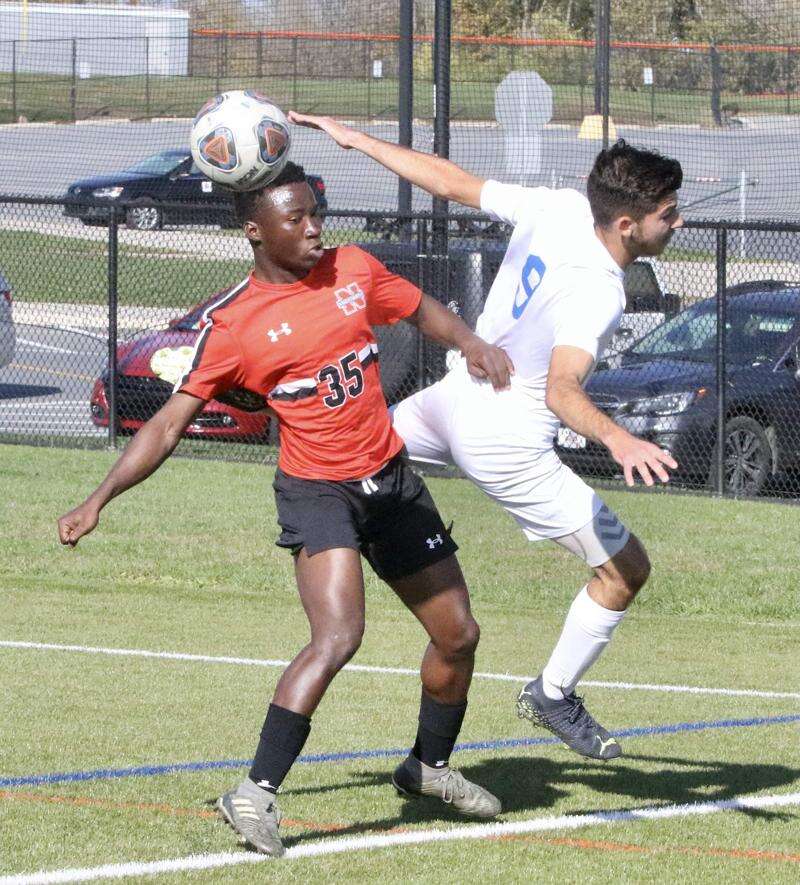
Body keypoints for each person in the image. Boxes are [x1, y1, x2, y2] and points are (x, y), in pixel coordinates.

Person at [57, 162, 514, 856]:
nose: (312, 228)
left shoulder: (352, 268)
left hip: (389, 480)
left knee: (458, 633)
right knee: (338, 636)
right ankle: (253, 793)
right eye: (294, 219)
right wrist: (99, 498)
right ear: (254, 230)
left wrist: (472, 342)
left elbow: (420, 308)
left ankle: (427, 764)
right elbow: (167, 425)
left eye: (313, 213)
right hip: (318, 491)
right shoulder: (235, 325)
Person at [289, 114, 684, 762]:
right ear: (626, 223)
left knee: (347, 454)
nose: (677, 224)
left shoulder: (559, 207)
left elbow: (449, 183)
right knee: (625, 567)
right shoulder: (600, 290)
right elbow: (562, 391)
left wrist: (360, 141)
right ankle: (554, 692)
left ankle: (329, 542)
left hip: (451, 399)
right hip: (505, 441)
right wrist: (620, 440)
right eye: (669, 214)